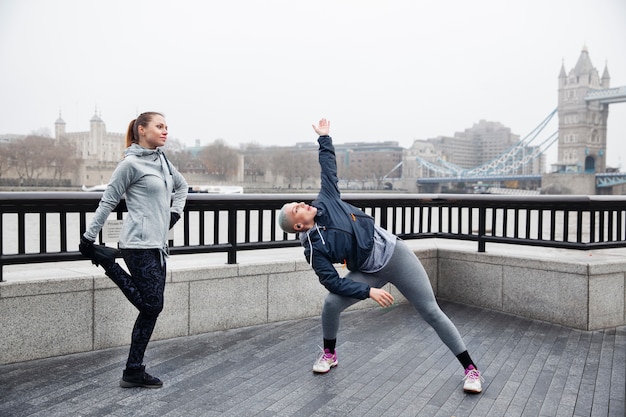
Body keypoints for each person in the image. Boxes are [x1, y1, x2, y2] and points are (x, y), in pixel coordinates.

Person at [278, 118, 483, 394]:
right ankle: (330, 354)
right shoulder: (314, 250)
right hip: (368, 270)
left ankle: (471, 370)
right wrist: (368, 292)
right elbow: (333, 282)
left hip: (394, 254)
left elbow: (328, 168)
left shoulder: (326, 200)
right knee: (331, 304)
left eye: (298, 203)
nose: (302, 204)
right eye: (296, 209)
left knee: (431, 312)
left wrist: (324, 138)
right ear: (299, 226)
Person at [79, 112, 188, 389]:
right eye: (159, 126)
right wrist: (88, 239)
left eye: (167, 126)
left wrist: (174, 213)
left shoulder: (162, 159)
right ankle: (107, 263)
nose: (165, 131)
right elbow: (108, 200)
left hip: (158, 245)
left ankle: (133, 370)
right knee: (153, 305)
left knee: (150, 310)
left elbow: (182, 186)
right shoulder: (130, 164)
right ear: (142, 130)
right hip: (137, 245)